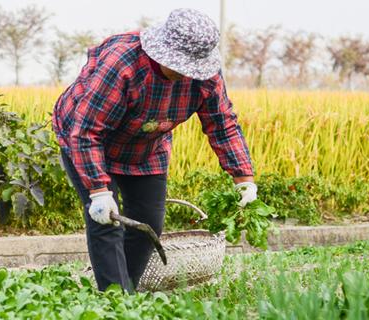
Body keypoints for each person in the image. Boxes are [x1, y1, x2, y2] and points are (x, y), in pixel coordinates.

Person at [52, 8, 256, 292]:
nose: (187, 74)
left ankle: (126, 292)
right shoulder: (122, 65)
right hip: (88, 142)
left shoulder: (206, 77)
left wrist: (243, 178)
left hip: (146, 148)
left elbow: (222, 124)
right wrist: (99, 191)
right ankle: (117, 301)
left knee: (149, 223)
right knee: (106, 222)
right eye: (181, 65)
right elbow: (86, 131)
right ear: (162, 51)